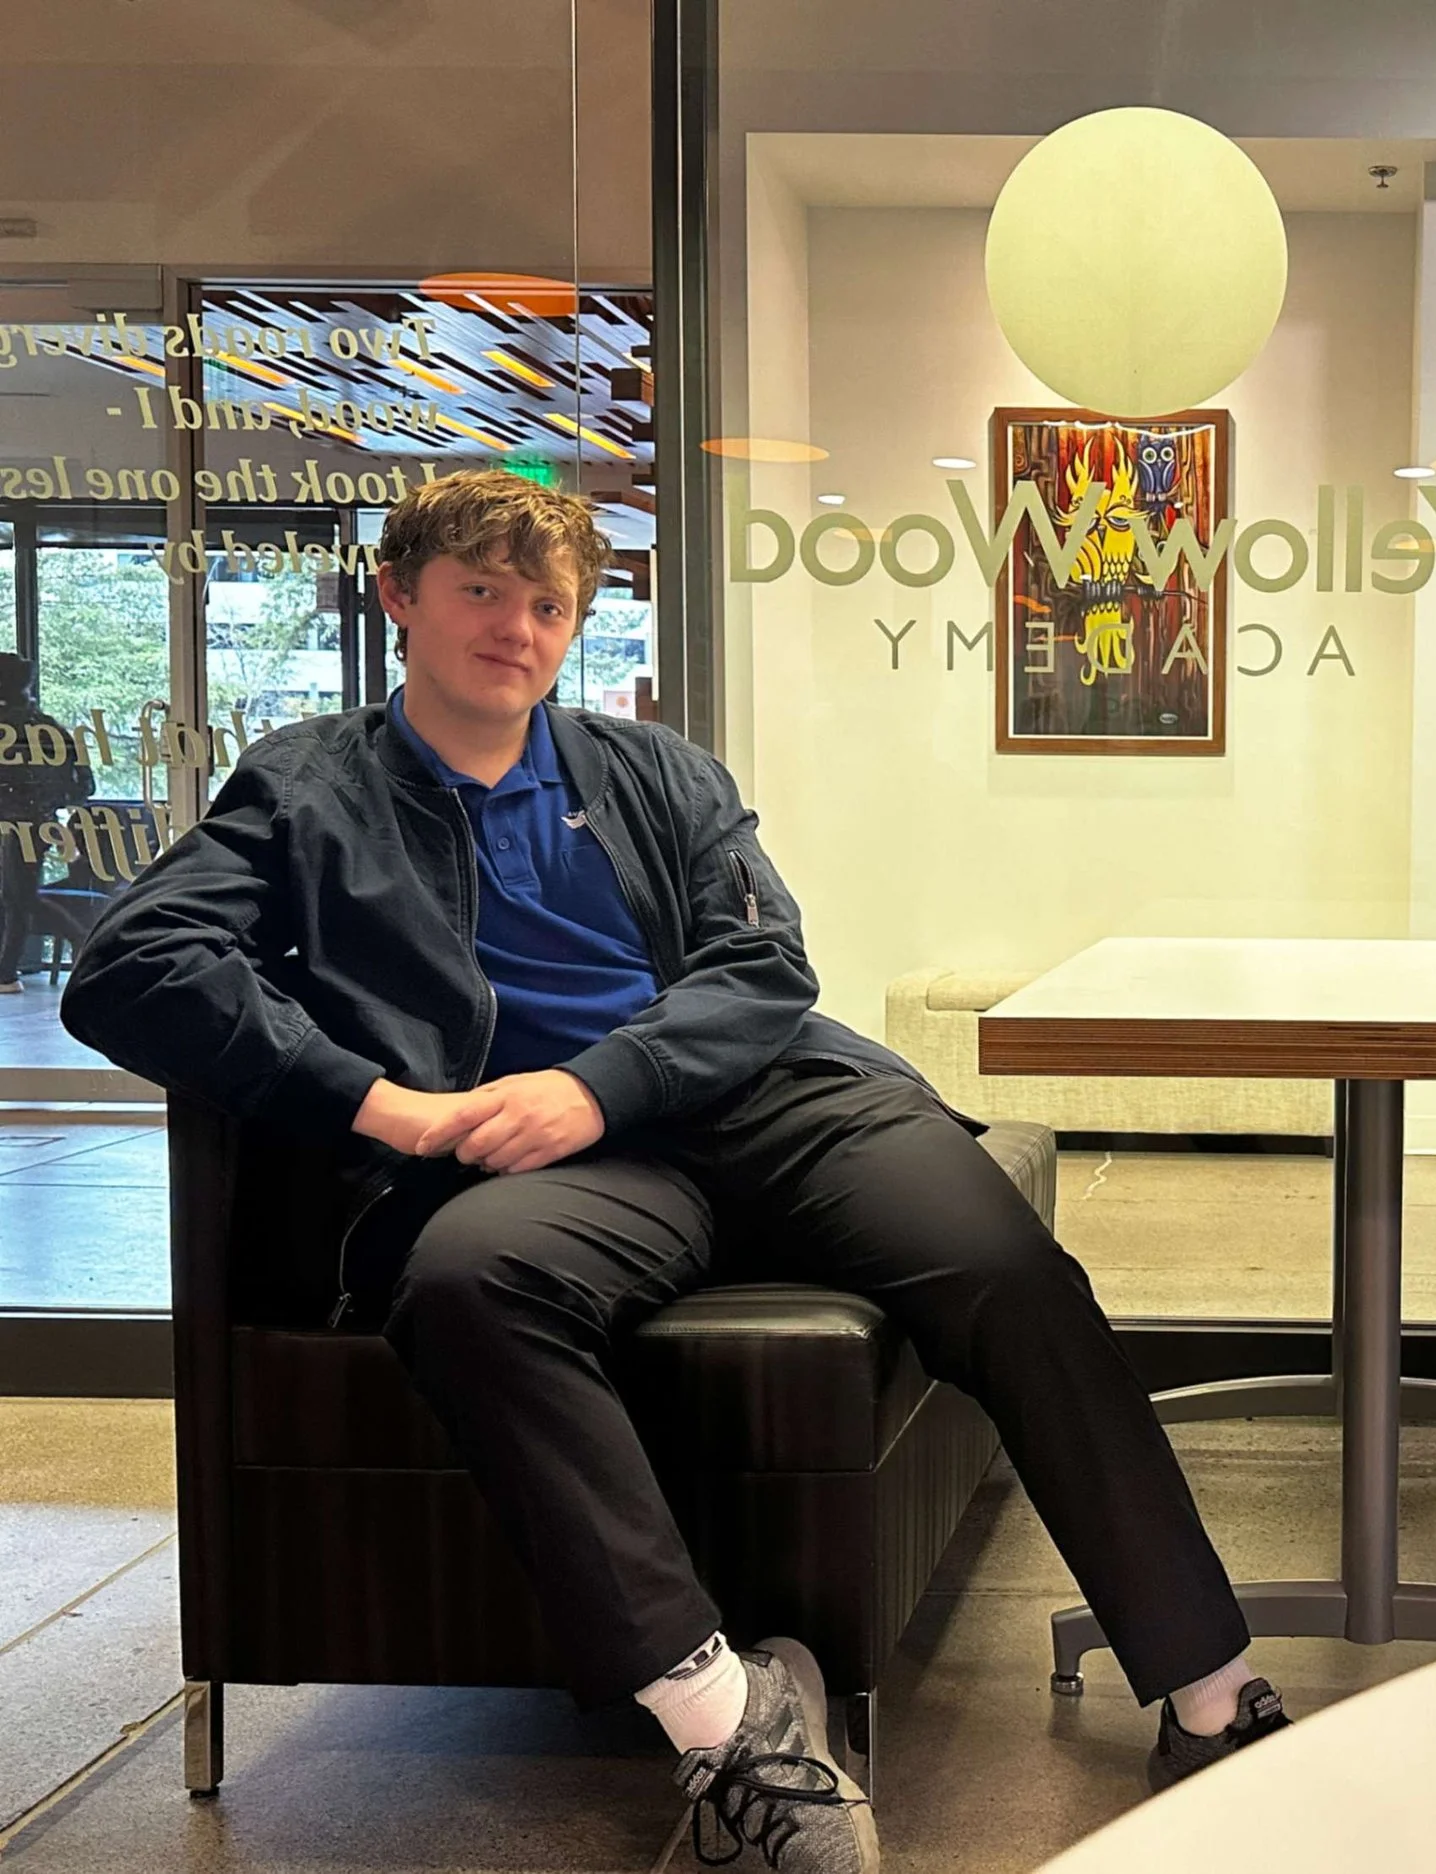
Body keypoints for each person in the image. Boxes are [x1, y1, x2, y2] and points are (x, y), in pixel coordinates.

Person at [63, 471, 1287, 1870]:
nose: (517, 629)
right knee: (463, 1280)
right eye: (481, 590)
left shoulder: (655, 770)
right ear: (399, 596)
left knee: (1009, 1266)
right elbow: (134, 963)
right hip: (554, 1169)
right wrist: (382, 1106)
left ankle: (1211, 1689)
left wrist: (597, 1083)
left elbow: (764, 965)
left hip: (767, 1102)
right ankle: (729, 1719)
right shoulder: (308, 784)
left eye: (548, 605)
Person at [0, 651, 95, 994]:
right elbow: (83, 784)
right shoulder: (48, 726)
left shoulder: (16, 728)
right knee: (18, 896)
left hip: (20, 822)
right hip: (36, 822)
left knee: (18, 896)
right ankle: (7, 971)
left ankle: (9, 971)